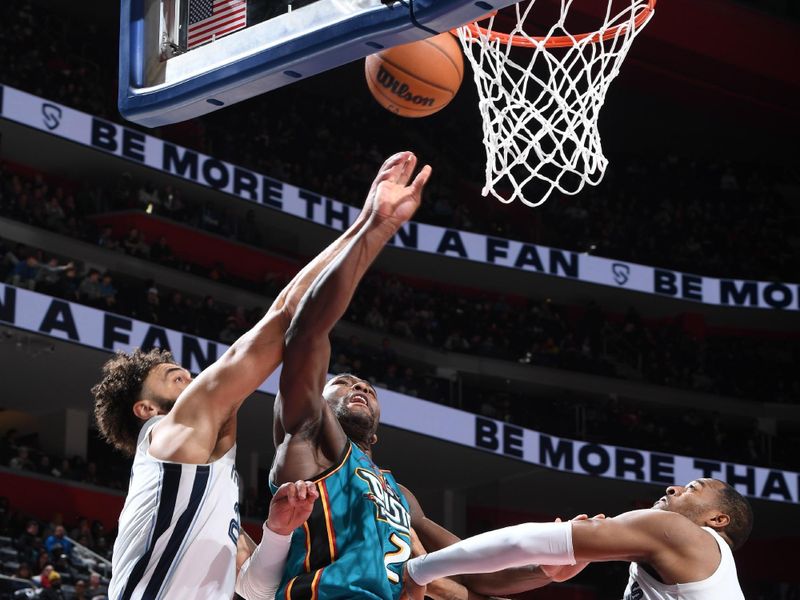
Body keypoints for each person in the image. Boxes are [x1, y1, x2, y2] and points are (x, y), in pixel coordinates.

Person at [90, 152, 415, 600]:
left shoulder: (210, 486)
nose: (192, 379)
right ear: (146, 410)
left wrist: (278, 534)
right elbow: (284, 315)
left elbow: (254, 588)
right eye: (173, 378)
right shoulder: (170, 437)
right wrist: (371, 224)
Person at [269, 152, 553, 600]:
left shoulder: (396, 491)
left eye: (367, 386)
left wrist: (549, 568)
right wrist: (373, 225)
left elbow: (473, 570)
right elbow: (305, 333)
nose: (360, 385)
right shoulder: (308, 435)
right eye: (342, 381)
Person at [403, 478, 752, 600]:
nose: (673, 488)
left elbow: (524, 540)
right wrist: (546, 570)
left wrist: (419, 570)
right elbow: (489, 574)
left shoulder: (680, 533)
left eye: (692, 489)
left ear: (718, 519)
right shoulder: (695, 566)